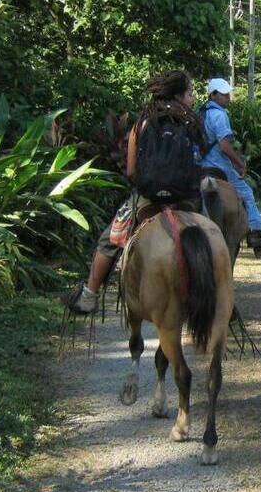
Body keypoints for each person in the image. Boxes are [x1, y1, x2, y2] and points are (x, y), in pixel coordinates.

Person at [67, 70, 206, 314]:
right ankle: (220, 294)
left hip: (148, 198)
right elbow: (197, 164)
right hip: (186, 199)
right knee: (212, 234)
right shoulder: (191, 122)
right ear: (179, 95)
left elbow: (131, 170)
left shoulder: (142, 122)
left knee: (109, 241)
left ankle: (89, 294)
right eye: (190, 94)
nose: (192, 99)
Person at [199, 78, 261, 256]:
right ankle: (255, 232)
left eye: (227, 94)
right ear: (213, 95)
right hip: (218, 166)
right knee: (247, 193)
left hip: (199, 166)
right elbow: (224, 146)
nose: (227, 98)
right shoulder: (220, 115)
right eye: (223, 94)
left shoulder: (200, 113)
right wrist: (240, 164)